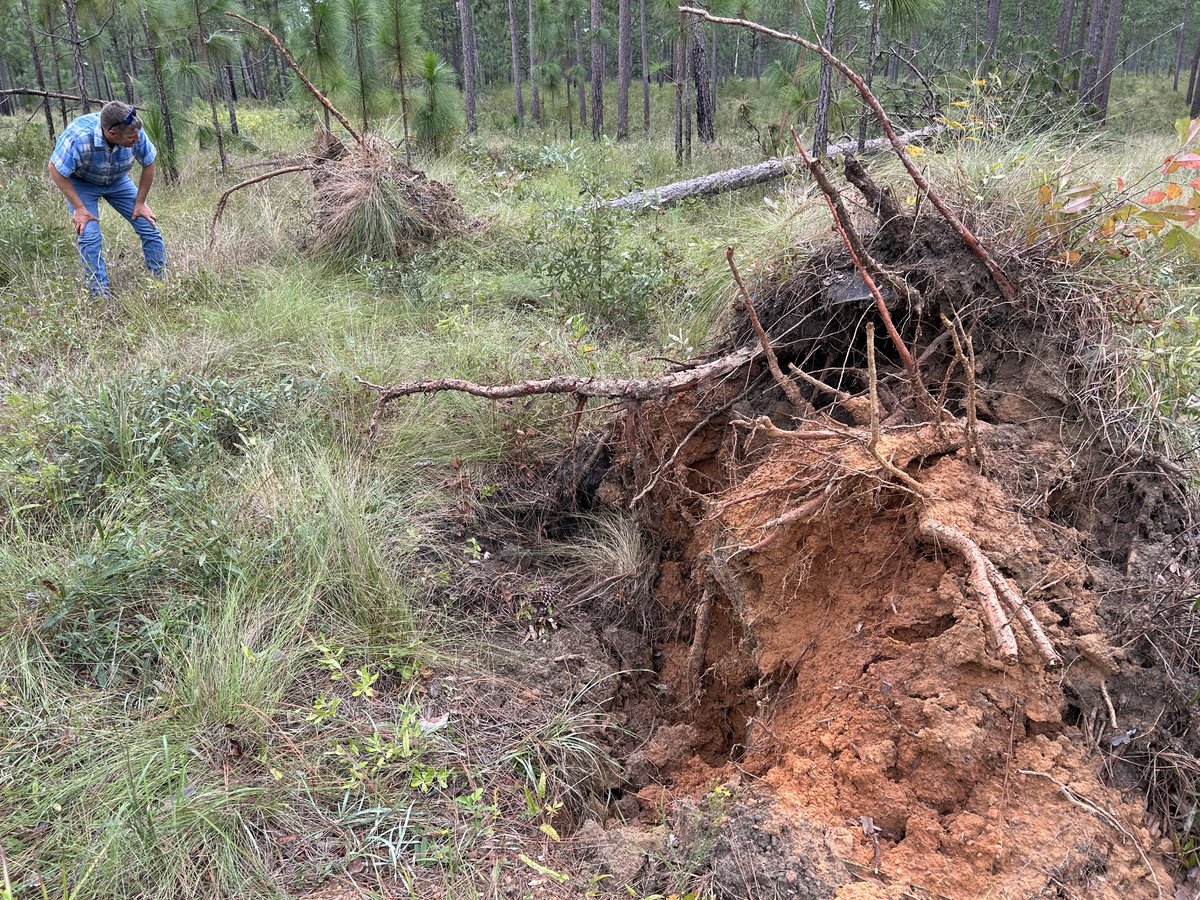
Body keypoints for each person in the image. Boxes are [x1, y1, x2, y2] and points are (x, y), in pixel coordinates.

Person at [48, 100, 167, 297]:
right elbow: (55, 168)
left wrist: (140, 203)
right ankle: (99, 293)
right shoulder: (79, 137)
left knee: (149, 225)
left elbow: (149, 162)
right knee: (89, 236)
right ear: (112, 134)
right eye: (131, 137)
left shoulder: (134, 129)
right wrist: (79, 208)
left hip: (117, 180)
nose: (137, 139)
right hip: (82, 183)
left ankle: (160, 280)